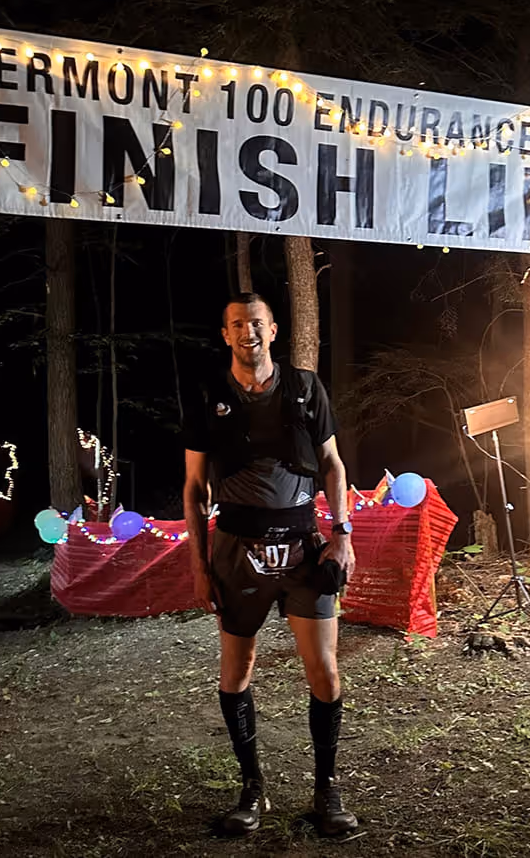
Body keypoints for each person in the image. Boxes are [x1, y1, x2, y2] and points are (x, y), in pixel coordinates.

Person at [183, 292, 358, 837]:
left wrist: (342, 534)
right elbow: (193, 488)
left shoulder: (305, 388)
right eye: (237, 324)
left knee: (324, 671)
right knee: (236, 671)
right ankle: (251, 791)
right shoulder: (210, 393)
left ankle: (327, 792)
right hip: (237, 550)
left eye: (256, 323)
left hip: (305, 547)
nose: (247, 333)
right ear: (225, 334)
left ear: (274, 330)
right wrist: (197, 563)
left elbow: (332, 464)